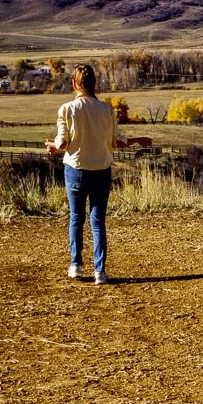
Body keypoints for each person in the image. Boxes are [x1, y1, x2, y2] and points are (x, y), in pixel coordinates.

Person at [46, 63, 151, 284]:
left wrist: (53, 146)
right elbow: (118, 142)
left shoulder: (67, 109)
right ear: (95, 84)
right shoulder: (106, 110)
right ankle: (99, 272)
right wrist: (138, 140)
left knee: (76, 217)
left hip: (75, 169)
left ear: (74, 84)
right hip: (101, 171)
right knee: (98, 222)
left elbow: (63, 141)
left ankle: (76, 265)